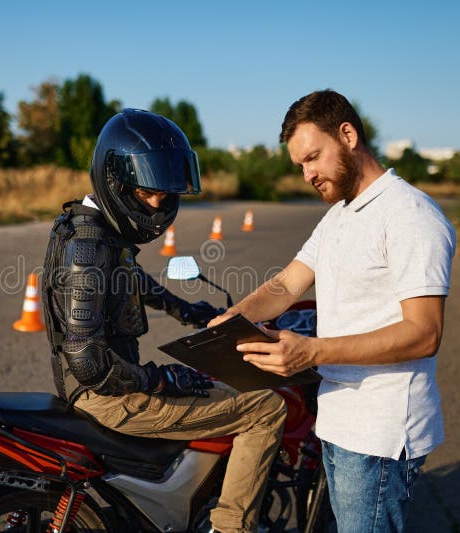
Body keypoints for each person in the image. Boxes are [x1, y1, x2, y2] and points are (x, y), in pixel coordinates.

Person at [208, 90, 456, 532]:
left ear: (348, 134)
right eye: (300, 165)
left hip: (381, 433)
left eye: (313, 157)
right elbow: (286, 284)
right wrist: (236, 318)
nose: (307, 174)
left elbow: (424, 333)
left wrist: (312, 351)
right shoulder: (341, 216)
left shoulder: (410, 216)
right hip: (338, 420)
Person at [41, 108, 287, 533]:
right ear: (116, 180)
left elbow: (133, 280)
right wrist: (159, 380)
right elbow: (87, 362)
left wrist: (190, 311)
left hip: (111, 388)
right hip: (111, 397)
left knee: (209, 380)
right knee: (266, 407)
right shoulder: (88, 246)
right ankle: (232, 527)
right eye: (147, 192)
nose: (158, 203)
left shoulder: (98, 232)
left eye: (164, 192)